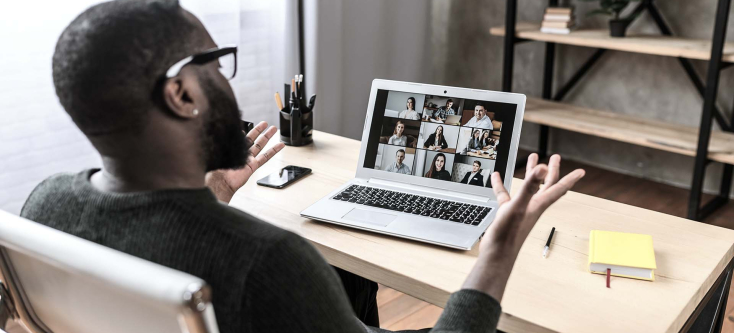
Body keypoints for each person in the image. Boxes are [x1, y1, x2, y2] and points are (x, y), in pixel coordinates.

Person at [20, 2, 586, 332]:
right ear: (182, 95)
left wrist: (210, 195)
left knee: (349, 278)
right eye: (217, 66)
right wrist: (499, 250)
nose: (228, 82)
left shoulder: (45, 207)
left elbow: (158, 245)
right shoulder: (266, 263)